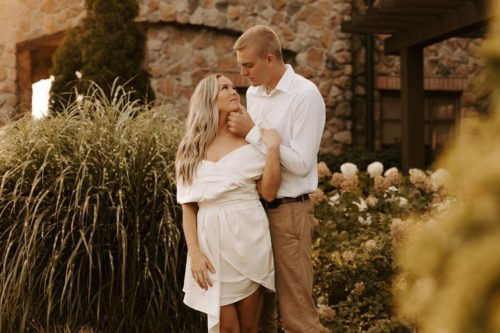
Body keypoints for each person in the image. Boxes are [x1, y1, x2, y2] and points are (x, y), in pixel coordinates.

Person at [228, 25, 326, 332]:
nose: (243, 74)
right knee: (260, 316)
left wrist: (253, 133)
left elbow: (300, 163)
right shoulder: (255, 94)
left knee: (297, 314)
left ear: (270, 59)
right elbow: (259, 154)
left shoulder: (305, 95)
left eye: (249, 65)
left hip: (290, 213)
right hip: (255, 213)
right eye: (241, 65)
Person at [176, 73, 282, 333]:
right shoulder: (190, 148)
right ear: (208, 99)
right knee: (227, 329)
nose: (234, 91)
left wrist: (272, 150)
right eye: (224, 88)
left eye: (234, 87)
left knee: (248, 329)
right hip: (211, 246)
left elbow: (268, 192)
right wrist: (195, 253)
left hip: (250, 239)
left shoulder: (250, 140)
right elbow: (188, 206)